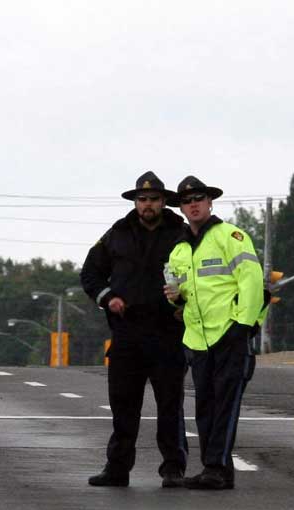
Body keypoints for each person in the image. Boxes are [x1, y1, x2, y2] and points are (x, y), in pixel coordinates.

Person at [80, 171, 189, 488]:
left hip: (167, 331)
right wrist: (107, 297)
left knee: (170, 404)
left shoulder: (181, 234)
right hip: (127, 332)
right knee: (123, 405)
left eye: (154, 199)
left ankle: (173, 468)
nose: (148, 205)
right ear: (135, 202)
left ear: (164, 201)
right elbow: (90, 273)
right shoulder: (118, 233)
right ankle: (117, 468)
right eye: (142, 200)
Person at [163, 175, 264, 490]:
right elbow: (180, 294)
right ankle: (216, 469)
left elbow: (251, 281)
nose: (193, 204)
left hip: (230, 333)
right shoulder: (179, 248)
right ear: (181, 208)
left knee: (224, 405)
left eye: (198, 198)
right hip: (197, 338)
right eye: (186, 201)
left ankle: (216, 467)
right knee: (205, 406)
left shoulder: (230, 236)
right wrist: (175, 296)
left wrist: (242, 326)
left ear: (209, 202)